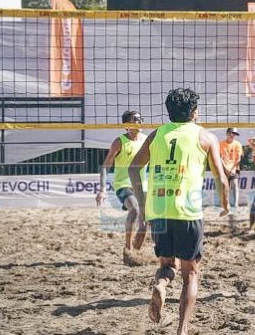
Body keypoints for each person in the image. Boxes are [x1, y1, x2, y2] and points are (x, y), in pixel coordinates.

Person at [128, 88, 229, 331]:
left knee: (166, 266)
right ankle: (182, 330)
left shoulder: (155, 135)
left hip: (158, 210)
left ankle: (161, 285)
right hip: (187, 212)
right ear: (194, 112)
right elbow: (221, 179)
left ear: (169, 111)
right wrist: (225, 205)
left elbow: (133, 169)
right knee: (191, 273)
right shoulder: (205, 137)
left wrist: (143, 207)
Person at [95, 110, 148, 257]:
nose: (139, 122)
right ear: (126, 125)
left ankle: (139, 245)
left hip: (141, 185)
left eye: (140, 119)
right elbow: (105, 166)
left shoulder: (147, 140)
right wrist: (102, 190)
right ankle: (128, 249)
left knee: (149, 218)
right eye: (135, 120)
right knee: (135, 210)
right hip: (123, 184)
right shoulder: (119, 142)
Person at [219, 127, 244, 208]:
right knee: (225, 186)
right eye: (231, 133)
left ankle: (236, 203)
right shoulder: (221, 144)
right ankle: (226, 203)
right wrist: (225, 168)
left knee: (235, 184)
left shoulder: (238, 144)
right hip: (224, 167)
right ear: (227, 133)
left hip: (234, 167)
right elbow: (220, 158)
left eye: (234, 134)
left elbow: (238, 158)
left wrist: (232, 169)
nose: (232, 135)